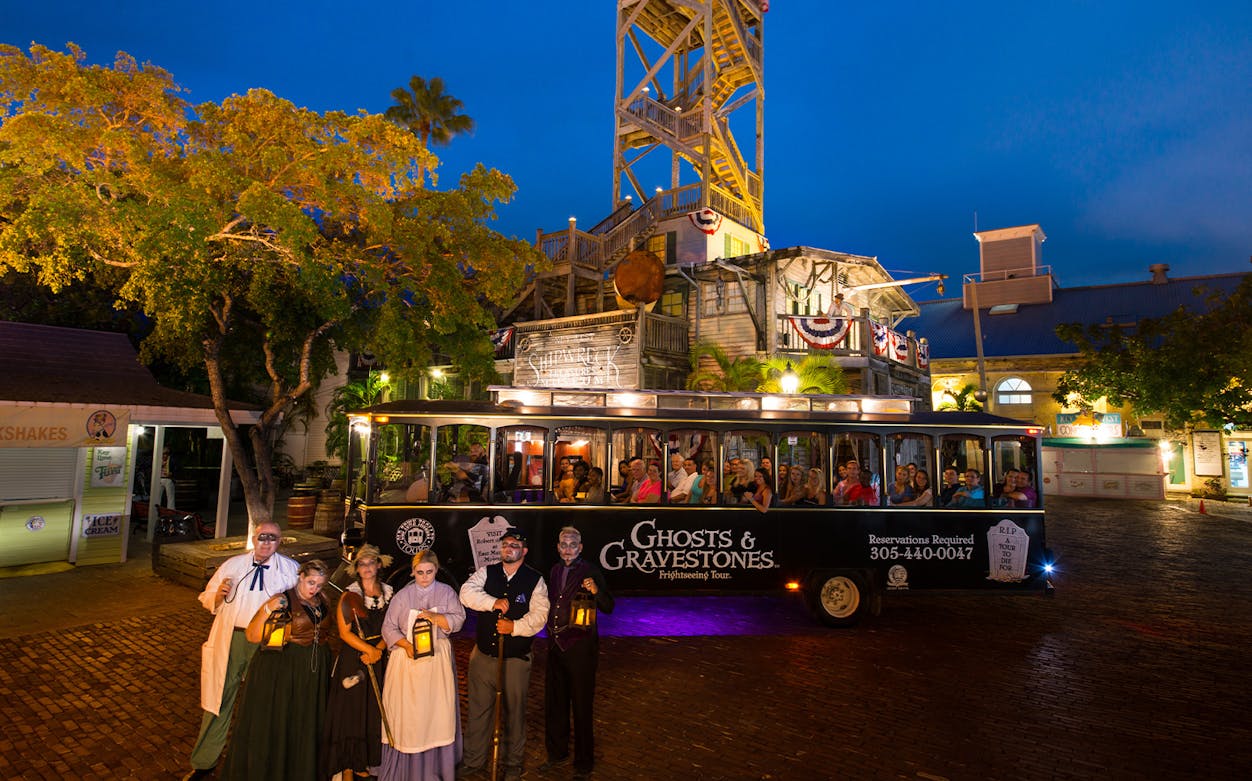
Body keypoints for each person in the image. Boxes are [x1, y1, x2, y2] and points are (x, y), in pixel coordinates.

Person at [183, 522, 299, 781]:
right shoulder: (233, 566)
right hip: (231, 639)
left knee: (262, 702)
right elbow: (206, 596)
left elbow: (302, 608)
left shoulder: (290, 571)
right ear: (254, 538)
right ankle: (204, 762)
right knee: (219, 699)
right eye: (262, 537)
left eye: (273, 538)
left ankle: (257, 761)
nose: (266, 543)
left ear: (280, 541)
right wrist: (218, 596)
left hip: (267, 643)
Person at [220, 559, 335, 780]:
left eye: (320, 585)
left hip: (312, 672)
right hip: (282, 669)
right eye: (311, 582)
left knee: (305, 722)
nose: (314, 589)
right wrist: (267, 608)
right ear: (300, 576)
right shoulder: (282, 599)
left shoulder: (323, 599)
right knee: (280, 721)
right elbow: (252, 635)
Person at [458, 528, 549, 781]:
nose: (509, 548)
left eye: (515, 545)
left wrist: (514, 627)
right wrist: (492, 602)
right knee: (478, 711)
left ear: (524, 551)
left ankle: (512, 763)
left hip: (515, 660)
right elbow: (466, 593)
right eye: (506, 543)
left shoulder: (535, 580)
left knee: (514, 712)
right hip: (484, 656)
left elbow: (539, 616)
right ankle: (473, 760)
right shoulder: (487, 572)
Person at [378, 550, 466, 781]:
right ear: (412, 571)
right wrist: (406, 645)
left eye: (429, 572)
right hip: (407, 664)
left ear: (436, 570)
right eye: (420, 572)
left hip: (436, 662)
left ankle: (434, 768)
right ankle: (405, 766)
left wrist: (436, 618)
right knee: (410, 714)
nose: (425, 577)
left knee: (435, 712)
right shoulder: (403, 596)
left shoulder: (446, 592)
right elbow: (388, 628)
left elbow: (459, 619)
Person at [543, 527, 615, 780]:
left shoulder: (591, 570)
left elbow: (608, 606)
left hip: (581, 649)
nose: (568, 549)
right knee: (556, 704)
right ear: (558, 546)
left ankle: (584, 764)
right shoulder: (554, 570)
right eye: (563, 544)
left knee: (582, 706)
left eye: (573, 544)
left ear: (581, 547)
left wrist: (596, 590)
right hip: (555, 646)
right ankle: (557, 753)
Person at [322, 545, 394, 781]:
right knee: (352, 713)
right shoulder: (349, 596)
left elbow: (392, 626)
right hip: (355, 658)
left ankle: (365, 763)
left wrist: (380, 649)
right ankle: (348, 768)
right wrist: (369, 650)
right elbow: (344, 633)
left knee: (372, 711)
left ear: (378, 565)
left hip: (378, 658)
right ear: (356, 568)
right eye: (361, 564)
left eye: (370, 563)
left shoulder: (389, 593)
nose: (366, 567)